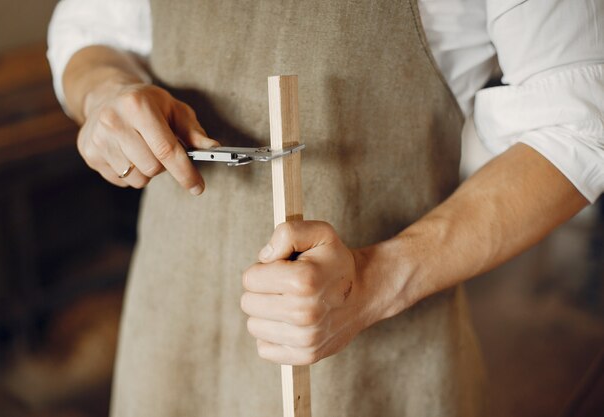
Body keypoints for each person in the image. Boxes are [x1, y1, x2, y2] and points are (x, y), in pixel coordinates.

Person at [47, 0, 604, 415]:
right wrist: (103, 91)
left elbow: (576, 125)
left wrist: (375, 280)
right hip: (167, 347)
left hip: (379, 366)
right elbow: (89, 32)